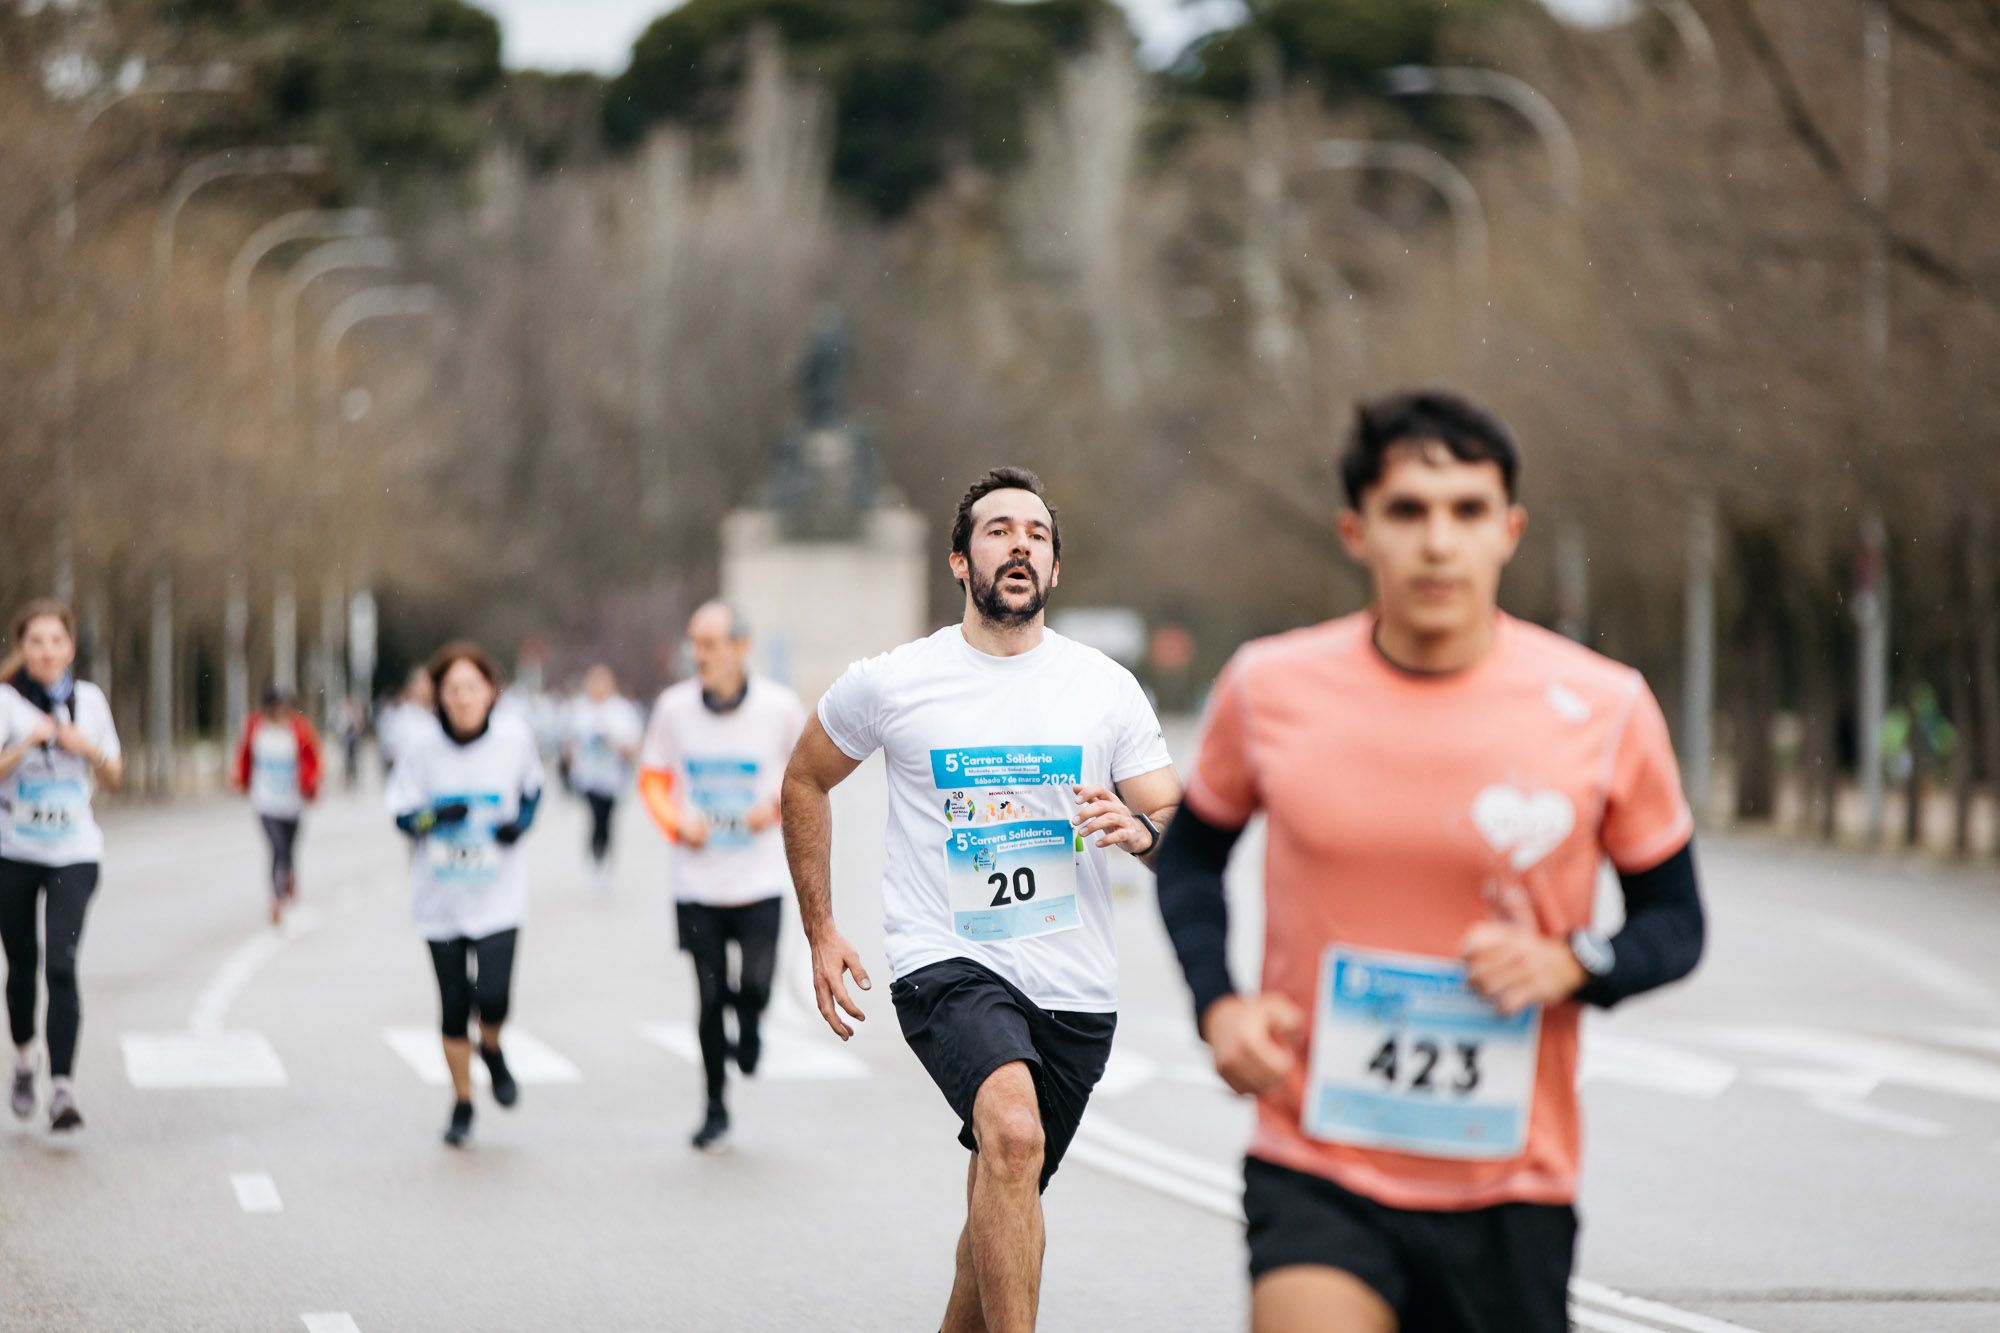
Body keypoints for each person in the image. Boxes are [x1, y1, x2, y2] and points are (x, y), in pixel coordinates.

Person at [1153, 390, 1707, 1333]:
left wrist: (1575, 961)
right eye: (1408, 510)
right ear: (1355, 530)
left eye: (1467, 511)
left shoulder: (1605, 707)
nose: (1438, 541)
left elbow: (1675, 922)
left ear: (1510, 530)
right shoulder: (1270, 687)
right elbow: (1190, 861)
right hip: (1318, 1163)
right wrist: (1220, 1004)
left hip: (1512, 1183)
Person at [782, 468, 1181, 1332]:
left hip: (1075, 988)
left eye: (1037, 535)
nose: (1020, 546)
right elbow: (805, 778)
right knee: (1012, 1134)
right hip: (947, 960)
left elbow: (1176, 821)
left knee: (1002, 1193)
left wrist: (1142, 832)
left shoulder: (1103, 687)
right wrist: (821, 928)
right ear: (960, 561)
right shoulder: (895, 681)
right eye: (999, 531)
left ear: (1055, 570)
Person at [638, 604, 805, 1150]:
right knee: (709, 1001)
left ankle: (752, 1024)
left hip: (758, 880)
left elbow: (803, 777)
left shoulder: (780, 707)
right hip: (696, 884)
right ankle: (714, 1105)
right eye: (694, 643)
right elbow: (653, 778)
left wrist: (774, 805)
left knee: (754, 985)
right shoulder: (673, 709)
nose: (699, 655)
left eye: (710, 644)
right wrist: (675, 822)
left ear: (741, 646)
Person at [386, 642, 544, 1148]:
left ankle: (492, 1050)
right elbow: (402, 814)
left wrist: (516, 826)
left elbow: (533, 791)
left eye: (471, 688)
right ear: (438, 696)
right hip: (441, 903)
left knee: (493, 998)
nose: (462, 698)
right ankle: (462, 1100)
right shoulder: (419, 745)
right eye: (452, 690)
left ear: (490, 692)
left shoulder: (514, 738)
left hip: (498, 897)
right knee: (454, 1007)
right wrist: (436, 818)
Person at [0, 599, 122, 1133]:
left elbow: (115, 773)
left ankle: (64, 1090)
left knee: (62, 966)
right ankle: (26, 1061)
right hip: (15, 853)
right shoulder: (6, 703)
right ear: (21, 649)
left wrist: (84, 748)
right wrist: (26, 745)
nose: (47, 651)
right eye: (36, 642)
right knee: (22, 967)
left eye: (56, 641)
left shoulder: (90, 701)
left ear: (70, 647)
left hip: (74, 853)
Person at [232, 686, 322, 926]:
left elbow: (312, 759)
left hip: (292, 803)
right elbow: (245, 756)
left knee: (289, 851)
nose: (281, 712)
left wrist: (312, 784)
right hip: (266, 802)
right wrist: (240, 780)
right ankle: (277, 899)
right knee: (277, 848)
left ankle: (289, 878)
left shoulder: (299, 730)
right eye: (277, 707)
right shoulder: (255, 728)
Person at [565, 665, 644, 895]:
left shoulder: (622, 710)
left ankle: (605, 864)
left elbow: (635, 744)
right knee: (594, 819)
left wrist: (616, 744)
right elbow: (570, 742)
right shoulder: (580, 709)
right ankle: (593, 864)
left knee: (607, 823)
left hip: (613, 779)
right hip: (588, 779)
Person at [377, 666, 437, 776]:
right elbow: (391, 753)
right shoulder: (401, 718)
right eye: (423, 684)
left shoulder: (435, 718)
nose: (427, 689)